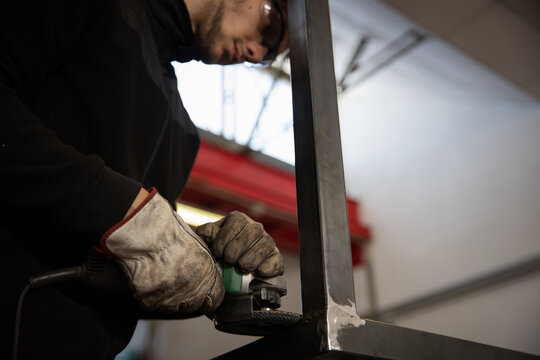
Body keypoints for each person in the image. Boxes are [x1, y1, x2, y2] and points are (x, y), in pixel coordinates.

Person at [0, 0, 289, 358]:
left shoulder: (182, 133)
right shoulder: (97, 10)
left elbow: (128, 281)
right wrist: (125, 211)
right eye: (270, 26)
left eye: (266, 56)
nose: (255, 51)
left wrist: (198, 259)